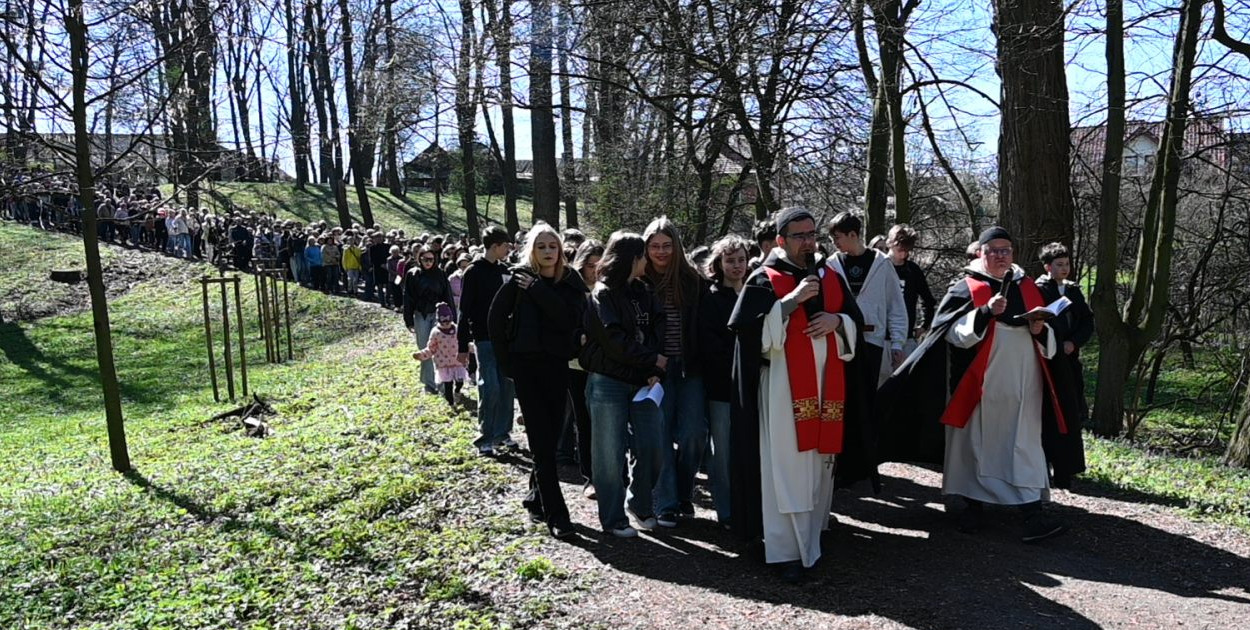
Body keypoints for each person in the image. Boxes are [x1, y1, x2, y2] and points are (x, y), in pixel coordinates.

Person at [878, 226, 1070, 543]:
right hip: (979, 384)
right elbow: (952, 335)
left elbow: (1051, 340)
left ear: (1013, 254)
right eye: (992, 250)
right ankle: (972, 506)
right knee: (976, 445)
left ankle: (1031, 512)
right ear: (981, 252)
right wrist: (983, 312)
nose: (999, 256)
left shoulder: (1029, 287)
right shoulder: (967, 287)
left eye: (1005, 250)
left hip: (1024, 385)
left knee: (1022, 444)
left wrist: (1040, 329)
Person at [728, 207, 869, 581]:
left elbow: (855, 323)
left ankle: (812, 535)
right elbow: (749, 338)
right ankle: (784, 549)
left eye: (811, 234)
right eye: (799, 236)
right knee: (787, 466)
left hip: (827, 384)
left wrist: (839, 322)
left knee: (819, 463)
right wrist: (790, 302)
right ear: (780, 241)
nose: (808, 241)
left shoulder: (830, 275)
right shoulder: (763, 279)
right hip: (781, 388)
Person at [488, 223, 589, 540]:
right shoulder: (518, 279)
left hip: (557, 366)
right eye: (542, 246)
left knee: (551, 434)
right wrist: (507, 366)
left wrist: (538, 290)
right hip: (526, 367)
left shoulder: (569, 281)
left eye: (553, 246)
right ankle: (558, 516)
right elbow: (494, 320)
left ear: (560, 251)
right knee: (543, 445)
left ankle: (535, 498)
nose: (548, 251)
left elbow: (567, 317)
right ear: (532, 250)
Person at [579, 231, 667, 538]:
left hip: (644, 384)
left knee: (653, 446)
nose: (647, 260)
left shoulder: (646, 291)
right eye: (643, 254)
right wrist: (653, 361)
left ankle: (640, 503)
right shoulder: (602, 294)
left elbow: (659, 329)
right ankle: (613, 518)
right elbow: (614, 340)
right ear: (632, 258)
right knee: (608, 454)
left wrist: (657, 365)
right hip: (608, 384)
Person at [644, 217, 707, 528]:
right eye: (654, 246)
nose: (661, 252)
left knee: (695, 434)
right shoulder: (639, 280)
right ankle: (666, 502)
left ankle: (684, 489)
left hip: (690, 368)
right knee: (660, 435)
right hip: (656, 370)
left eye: (667, 246)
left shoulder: (693, 281)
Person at [697, 234, 750, 528]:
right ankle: (727, 510)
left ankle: (747, 506)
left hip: (752, 386)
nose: (737, 266)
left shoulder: (754, 291)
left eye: (741, 260)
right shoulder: (712, 297)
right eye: (730, 260)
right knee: (723, 452)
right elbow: (710, 344)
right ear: (719, 263)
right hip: (721, 387)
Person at [1036, 242, 1093, 489]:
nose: (1064, 269)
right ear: (1048, 267)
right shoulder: (1039, 289)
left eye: (1067, 264)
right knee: (1047, 414)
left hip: (1070, 361)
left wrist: (1074, 342)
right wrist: (1057, 343)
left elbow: (1086, 322)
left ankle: (1066, 470)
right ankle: (1043, 467)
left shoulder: (1074, 291)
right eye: (1059, 265)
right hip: (1048, 361)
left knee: (1070, 413)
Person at [827, 212, 907, 388]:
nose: (834, 243)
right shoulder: (831, 265)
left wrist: (897, 343)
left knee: (868, 396)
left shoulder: (882, 263)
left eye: (837, 237)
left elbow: (896, 306)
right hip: (841, 339)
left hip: (873, 340)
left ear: (853, 235)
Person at [458, 226, 517, 456]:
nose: (508, 249)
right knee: (490, 386)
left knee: (506, 386)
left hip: (507, 338)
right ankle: (485, 436)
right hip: (484, 338)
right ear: (494, 246)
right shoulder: (473, 271)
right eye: (505, 245)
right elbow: (464, 310)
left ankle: (503, 432)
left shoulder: (506, 270)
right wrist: (463, 345)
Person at [565, 239, 603, 499]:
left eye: (600, 265)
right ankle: (591, 476)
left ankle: (614, 472)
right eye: (591, 265)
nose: (595, 271)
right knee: (585, 421)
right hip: (577, 365)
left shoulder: (609, 289)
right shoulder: (571, 291)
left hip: (606, 365)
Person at [404, 245, 455, 394]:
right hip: (421, 314)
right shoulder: (413, 274)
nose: (428, 262)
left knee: (439, 347)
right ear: (419, 258)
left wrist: (452, 318)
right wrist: (409, 321)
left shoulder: (440, 274)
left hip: (438, 314)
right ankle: (429, 382)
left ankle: (443, 383)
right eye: (425, 259)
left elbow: (448, 296)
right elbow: (408, 298)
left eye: (431, 259)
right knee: (424, 347)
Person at [886, 224, 937, 359]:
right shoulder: (878, 267)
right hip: (880, 337)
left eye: (907, 250)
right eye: (900, 249)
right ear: (890, 243)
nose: (903, 253)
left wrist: (924, 325)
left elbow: (928, 300)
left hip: (906, 337)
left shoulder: (913, 270)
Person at [413, 303, 469, 408]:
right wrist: (422, 355)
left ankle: (457, 391)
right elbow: (431, 348)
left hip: (458, 362)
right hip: (444, 364)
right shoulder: (436, 333)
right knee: (448, 386)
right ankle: (451, 403)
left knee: (460, 382)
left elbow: (464, 342)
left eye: (448, 320)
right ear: (439, 320)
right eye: (443, 321)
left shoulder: (457, 329)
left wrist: (469, 352)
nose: (446, 323)